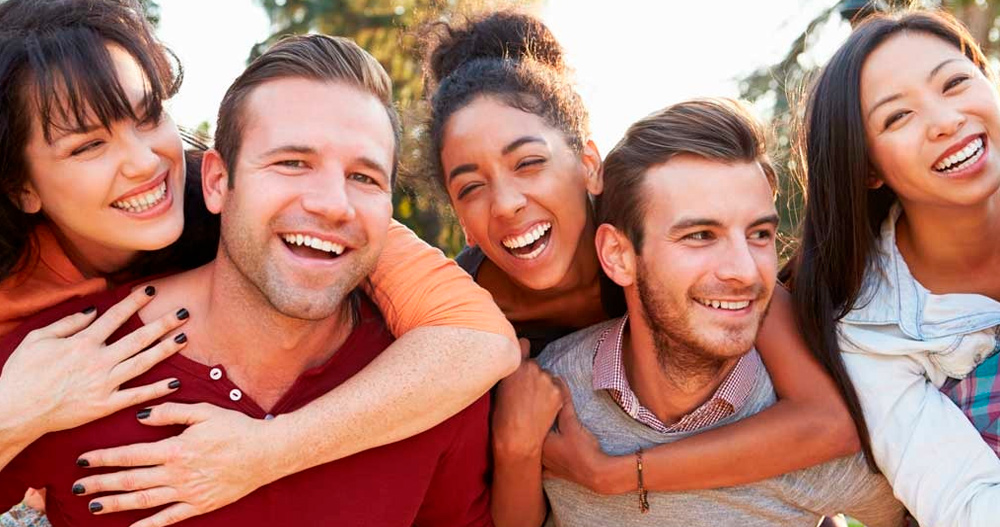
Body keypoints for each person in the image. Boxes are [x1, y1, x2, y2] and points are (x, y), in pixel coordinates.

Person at [0, 0, 517, 523]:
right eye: (88, 145)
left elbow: (478, 338)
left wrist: (262, 450)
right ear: (20, 186)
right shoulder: (42, 361)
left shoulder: (416, 378)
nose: (145, 162)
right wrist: (14, 415)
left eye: (148, 116)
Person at [419, 12, 859, 525]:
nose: (507, 203)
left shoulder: (655, 236)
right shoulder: (461, 320)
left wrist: (618, 474)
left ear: (589, 165)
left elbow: (827, 421)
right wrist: (515, 445)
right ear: (460, 216)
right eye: (471, 187)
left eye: (529, 162)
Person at [537, 97, 903, 526]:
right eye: (700, 235)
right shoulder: (552, 402)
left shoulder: (825, 452)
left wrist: (619, 474)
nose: (745, 271)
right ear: (618, 255)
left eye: (760, 233)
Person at [786, 8, 1000, 527]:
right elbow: (965, 502)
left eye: (954, 83)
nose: (946, 121)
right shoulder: (870, 326)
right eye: (897, 117)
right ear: (867, 169)